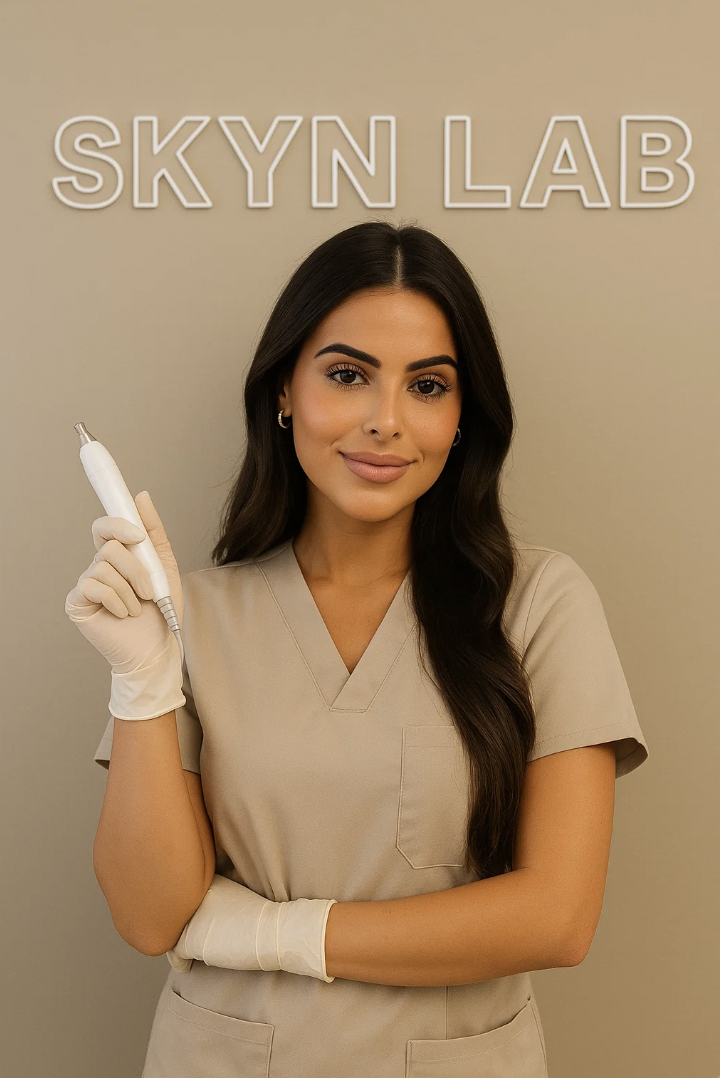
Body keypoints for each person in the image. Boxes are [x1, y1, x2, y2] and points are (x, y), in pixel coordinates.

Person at [66, 221, 648, 1078]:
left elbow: (556, 918)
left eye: (428, 385)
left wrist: (267, 930)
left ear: (460, 420)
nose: (386, 421)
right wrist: (142, 683)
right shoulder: (192, 615)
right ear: (283, 393)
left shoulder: (540, 604)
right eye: (347, 375)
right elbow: (154, 919)